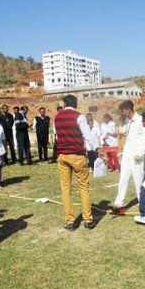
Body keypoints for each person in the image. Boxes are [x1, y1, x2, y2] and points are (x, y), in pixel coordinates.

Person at [54, 95, 96, 231]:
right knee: (83, 187)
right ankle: (88, 220)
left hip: (63, 156)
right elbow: (88, 135)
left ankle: (70, 221)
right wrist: (97, 149)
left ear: (65, 104)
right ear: (75, 104)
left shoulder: (57, 117)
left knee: (66, 188)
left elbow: (57, 135)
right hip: (77, 155)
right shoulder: (79, 116)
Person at [113, 100, 145, 213]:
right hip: (127, 154)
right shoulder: (126, 121)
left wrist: (141, 153)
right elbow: (124, 136)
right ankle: (119, 203)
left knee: (138, 181)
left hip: (137, 155)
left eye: (123, 110)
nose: (122, 113)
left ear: (128, 109)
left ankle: (143, 203)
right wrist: (121, 152)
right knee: (123, 179)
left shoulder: (141, 120)